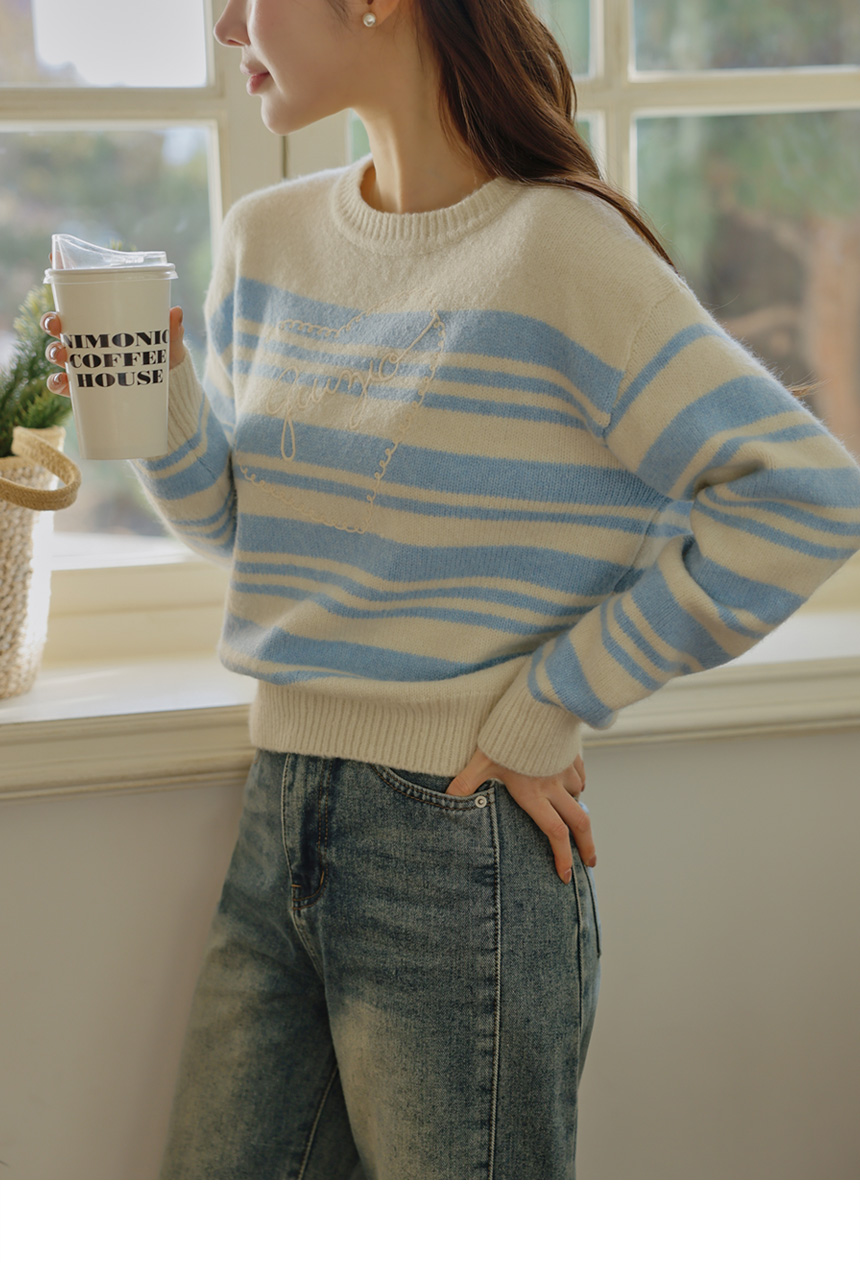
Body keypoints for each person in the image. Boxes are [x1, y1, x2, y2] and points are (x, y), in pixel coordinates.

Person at [44, 0, 860, 1180]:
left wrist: (551, 702)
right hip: (279, 821)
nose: (224, 25)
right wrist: (154, 385)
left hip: (457, 850)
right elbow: (244, 529)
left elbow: (805, 497)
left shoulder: (559, 249)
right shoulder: (266, 237)